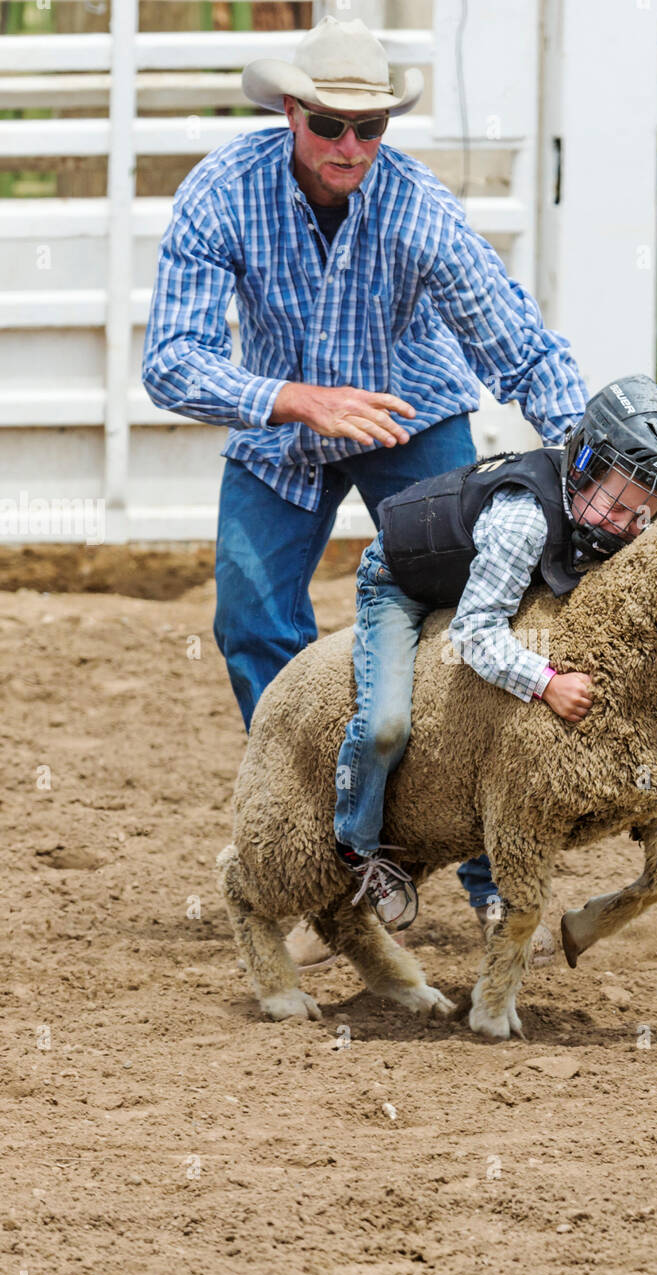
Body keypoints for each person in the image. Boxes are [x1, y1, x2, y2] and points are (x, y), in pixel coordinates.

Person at [140, 16, 588, 964]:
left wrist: (594, 464)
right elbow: (170, 362)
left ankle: (492, 877)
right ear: (290, 113)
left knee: (475, 619)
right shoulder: (223, 191)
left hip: (407, 413)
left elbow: (517, 344)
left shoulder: (418, 210)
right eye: (331, 125)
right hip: (282, 426)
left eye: (370, 128)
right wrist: (295, 400)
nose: (351, 146)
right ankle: (325, 863)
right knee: (251, 621)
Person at [327, 376, 657, 961]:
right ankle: (359, 849)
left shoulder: (603, 521)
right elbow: (475, 632)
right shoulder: (523, 520)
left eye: (647, 513)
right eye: (619, 502)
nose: (628, 526)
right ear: (583, 463)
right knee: (385, 726)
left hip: (486, 581)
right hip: (404, 586)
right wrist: (546, 682)